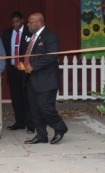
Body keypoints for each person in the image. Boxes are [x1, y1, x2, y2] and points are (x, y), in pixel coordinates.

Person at [22, 12, 68, 145]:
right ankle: (41, 134)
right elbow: (30, 54)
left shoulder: (50, 36)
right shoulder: (32, 37)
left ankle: (60, 128)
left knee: (45, 107)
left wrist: (33, 66)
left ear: (40, 23)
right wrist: (24, 64)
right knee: (34, 109)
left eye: (31, 22)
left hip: (46, 81)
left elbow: (51, 56)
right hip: (32, 80)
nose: (28, 24)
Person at [2, 11, 35, 133]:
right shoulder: (6, 33)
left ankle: (30, 124)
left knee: (27, 98)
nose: (15, 24)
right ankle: (19, 122)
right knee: (16, 98)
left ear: (22, 20)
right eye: (13, 22)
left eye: (17, 21)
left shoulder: (29, 32)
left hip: (25, 70)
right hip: (12, 70)